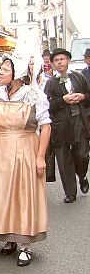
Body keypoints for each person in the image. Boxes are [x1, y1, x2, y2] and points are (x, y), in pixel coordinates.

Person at [0, 49, 51, 266]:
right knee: (2, 194)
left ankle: (25, 245)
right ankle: (8, 237)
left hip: (24, 148)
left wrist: (40, 157)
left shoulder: (34, 95)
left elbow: (45, 126)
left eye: (5, 69)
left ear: (17, 74)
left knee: (23, 194)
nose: (0, 72)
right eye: (1, 68)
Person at [44, 48, 90, 203]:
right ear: (52, 64)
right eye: (56, 60)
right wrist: (63, 100)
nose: (59, 62)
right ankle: (70, 192)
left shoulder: (79, 77)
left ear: (68, 60)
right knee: (63, 159)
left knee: (82, 154)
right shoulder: (50, 83)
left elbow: (89, 96)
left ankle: (82, 175)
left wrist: (82, 96)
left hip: (78, 121)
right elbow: (47, 106)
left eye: (62, 59)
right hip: (60, 125)